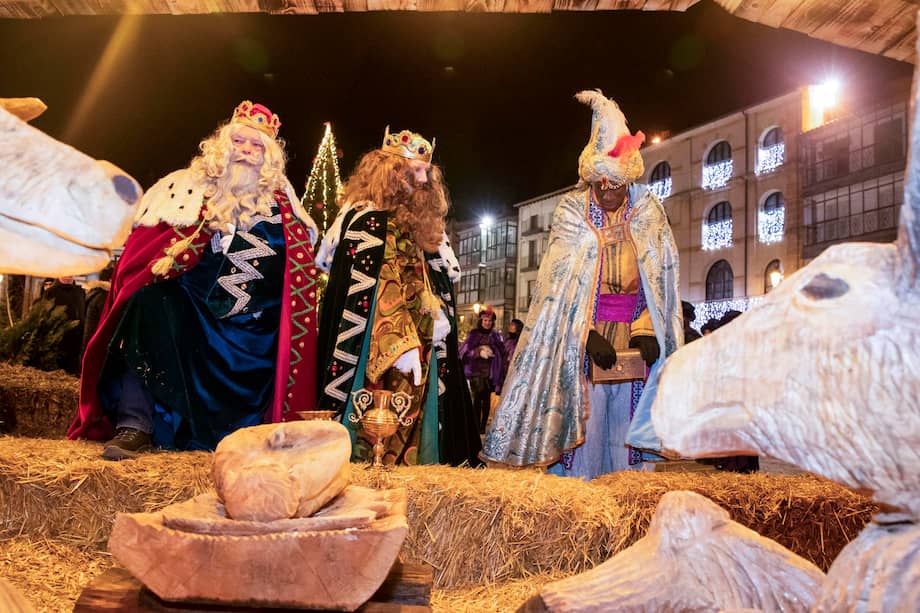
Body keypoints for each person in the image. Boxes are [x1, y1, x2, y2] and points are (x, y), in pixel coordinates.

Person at [69, 101, 319, 460]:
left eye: (257, 147)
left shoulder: (285, 209)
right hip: (191, 315)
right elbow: (144, 256)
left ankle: (232, 435)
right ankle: (135, 425)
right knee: (147, 303)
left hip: (250, 331)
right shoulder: (186, 190)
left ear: (270, 158)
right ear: (223, 146)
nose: (247, 153)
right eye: (240, 143)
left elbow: (295, 282)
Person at [481, 90, 682, 479]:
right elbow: (557, 293)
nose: (608, 194)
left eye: (616, 186)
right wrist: (584, 335)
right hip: (583, 347)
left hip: (632, 344)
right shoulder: (571, 213)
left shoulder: (648, 213)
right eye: (601, 184)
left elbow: (659, 284)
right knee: (587, 436)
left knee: (626, 437)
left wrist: (645, 330)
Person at [316, 127, 481, 467]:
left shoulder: (425, 230)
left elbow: (423, 282)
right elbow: (379, 283)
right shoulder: (367, 223)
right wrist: (399, 342)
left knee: (414, 424)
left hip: (419, 346)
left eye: (426, 173)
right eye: (414, 171)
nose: (422, 180)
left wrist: (435, 314)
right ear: (390, 174)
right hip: (377, 349)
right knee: (375, 422)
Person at [459, 306, 506, 433]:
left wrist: (492, 352)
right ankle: (475, 424)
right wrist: (478, 352)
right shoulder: (473, 334)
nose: (488, 323)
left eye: (490, 321)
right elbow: (465, 351)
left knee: (486, 399)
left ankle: (482, 426)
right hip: (476, 371)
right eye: (485, 320)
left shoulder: (495, 335)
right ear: (481, 321)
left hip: (490, 373)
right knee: (477, 399)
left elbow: (502, 352)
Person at [42, 276, 85, 375]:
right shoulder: (51, 292)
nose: (68, 276)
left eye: (71, 273)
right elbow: (45, 316)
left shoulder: (80, 292)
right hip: (58, 340)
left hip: (76, 341)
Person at [81, 262, 115, 355]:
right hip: (97, 343)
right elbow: (107, 321)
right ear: (111, 280)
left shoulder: (96, 293)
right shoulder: (104, 297)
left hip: (90, 341)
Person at [501, 318, 524, 385]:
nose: (510, 326)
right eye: (510, 324)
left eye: (513, 325)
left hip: (514, 369)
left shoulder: (520, 341)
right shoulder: (507, 340)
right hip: (505, 369)